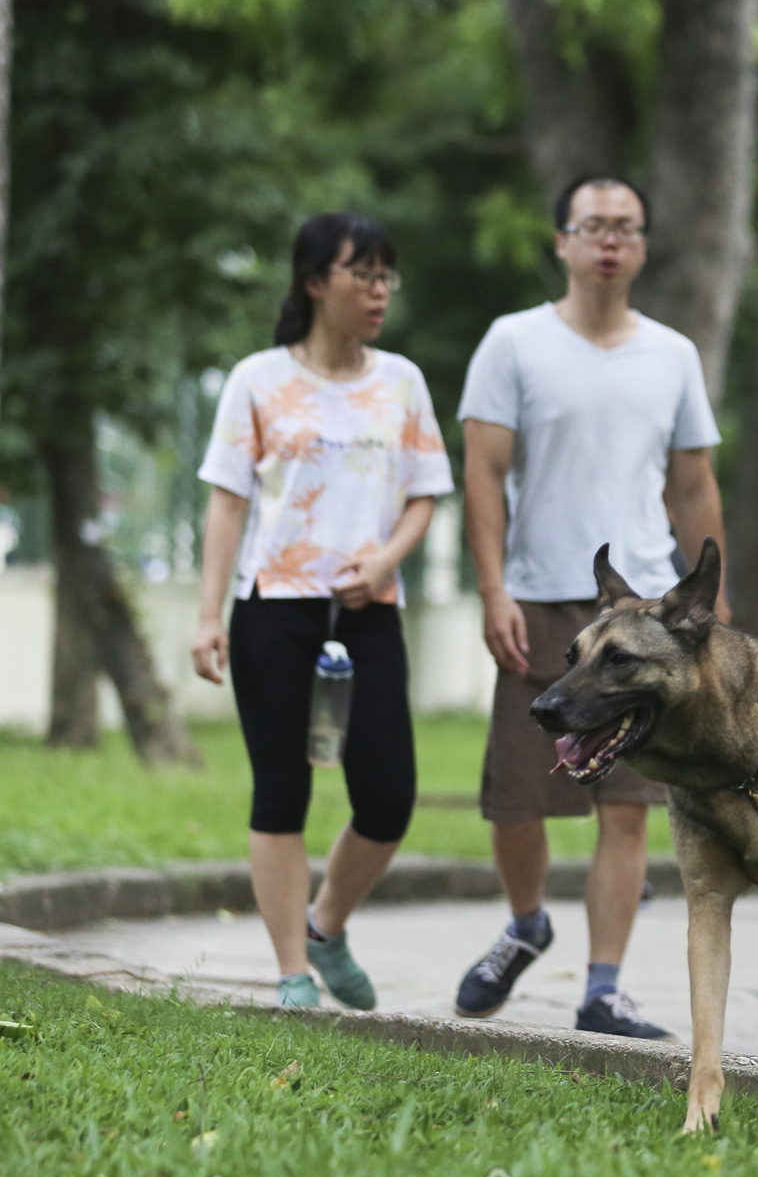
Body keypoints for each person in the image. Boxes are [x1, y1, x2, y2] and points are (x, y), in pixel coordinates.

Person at [451, 175, 729, 1039]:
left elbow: (692, 483)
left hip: (644, 609)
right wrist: (493, 587)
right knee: (519, 798)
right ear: (563, 240)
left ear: (643, 247)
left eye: (627, 228)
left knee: (630, 802)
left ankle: (603, 986)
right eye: (593, 226)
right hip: (539, 597)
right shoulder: (514, 342)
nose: (610, 241)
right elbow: (485, 473)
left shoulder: (673, 354)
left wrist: (713, 601)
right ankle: (527, 923)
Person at [190, 213, 453, 1008]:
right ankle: (291, 973)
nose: (378, 292)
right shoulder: (257, 380)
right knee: (281, 790)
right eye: (361, 275)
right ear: (314, 282)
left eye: (386, 277)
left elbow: (422, 495)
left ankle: (326, 924)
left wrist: (383, 561)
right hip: (275, 610)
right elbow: (227, 506)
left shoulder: (401, 380)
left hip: (368, 612)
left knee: (387, 795)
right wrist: (208, 616)